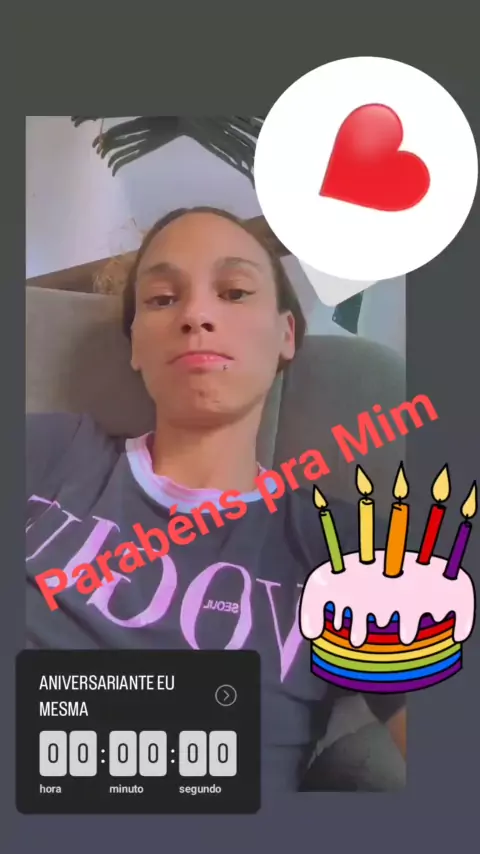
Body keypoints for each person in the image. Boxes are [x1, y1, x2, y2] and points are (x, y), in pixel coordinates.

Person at [26, 206, 406, 793]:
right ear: (134, 344)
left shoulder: (348, 551)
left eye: (233, 292)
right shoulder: (47, 453)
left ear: (286, 335)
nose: (195, 315)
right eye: (161, 299)